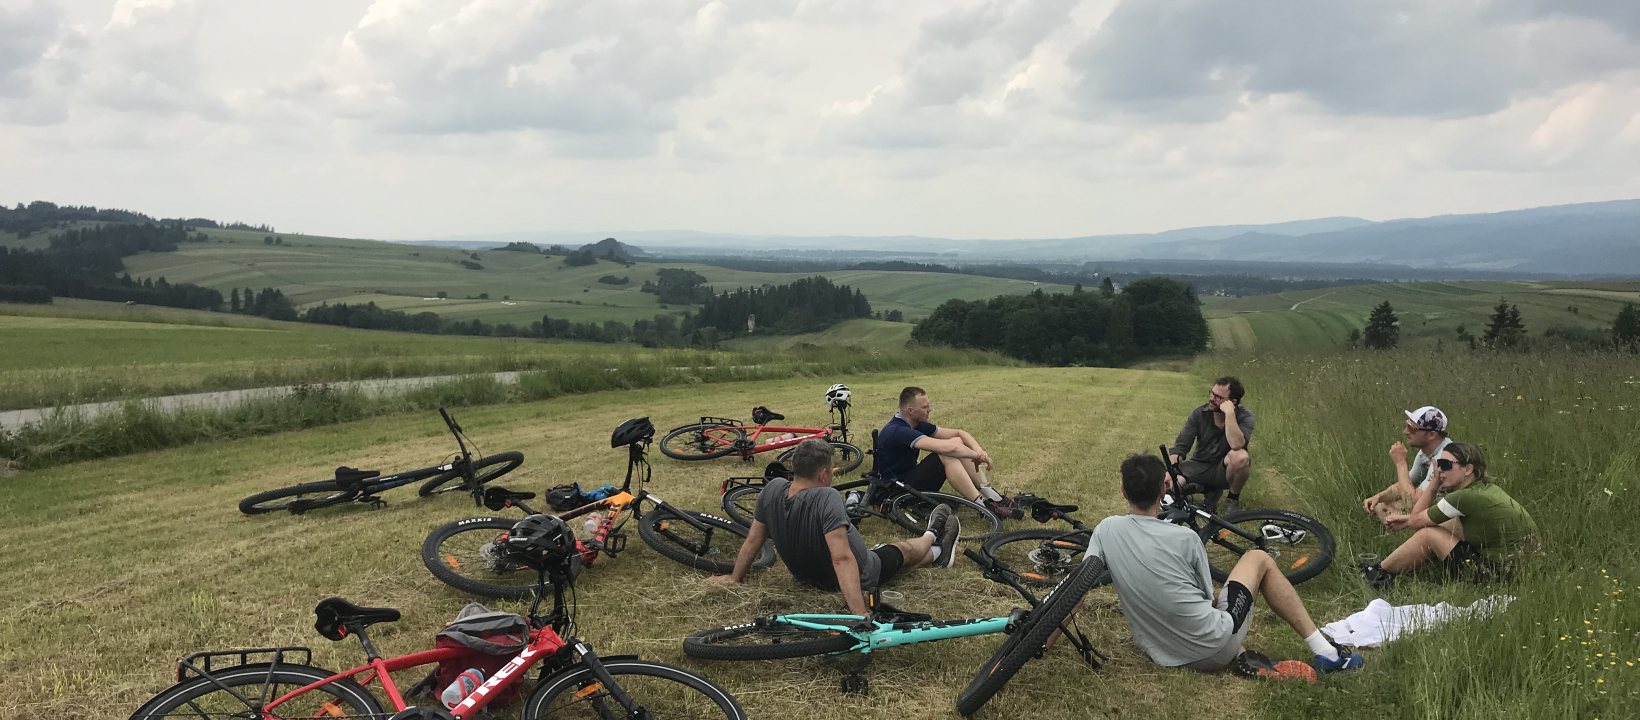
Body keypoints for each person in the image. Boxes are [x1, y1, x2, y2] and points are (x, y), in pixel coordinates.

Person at [1086, 454, 1364, 675]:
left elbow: (1077, 588)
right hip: (1212, 648)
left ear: (1123, 490)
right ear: (1163, 489)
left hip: (1160, 652)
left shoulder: (1105, 529)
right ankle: (1328, 655)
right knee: (1258, 558)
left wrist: (1044, 642)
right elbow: (1208, 599)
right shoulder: (1185, 537)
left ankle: (1243, 654)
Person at [709, 438, 960, 616]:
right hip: (861, 572)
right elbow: (841, 558)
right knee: (901, 550)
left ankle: (940, 552)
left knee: (887, 551)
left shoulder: (771, 489)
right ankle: (932, 537)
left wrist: (734, 578)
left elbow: (753, 541)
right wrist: (859, 611)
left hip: (805, 576)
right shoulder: (825, 496)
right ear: (822, 475)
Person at [1361, 442, 1540, 590]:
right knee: (1450, 523)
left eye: (1446, 466)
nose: (1440, 471)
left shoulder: (1462, 497)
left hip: (1497, 577)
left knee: (1427, 535)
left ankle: (1377, 574)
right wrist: (1408, 521)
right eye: (1438, 465)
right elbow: (1419, 519)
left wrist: (1434, 483)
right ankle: (1384, 568)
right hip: (1522, 572)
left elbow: (1417, 520)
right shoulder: (1484, 489)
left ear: (1468, 469)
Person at [876, 386, 1021, 519]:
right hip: (896, 490)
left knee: (956, 449)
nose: (929, 410)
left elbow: (959, 434)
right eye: (925, 407)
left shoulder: (915, 424)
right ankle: (983, 507)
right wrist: (977, 457)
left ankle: (994, 498)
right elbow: (949, 448)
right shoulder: (899, 431)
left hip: (908, 481)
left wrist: (980, 452)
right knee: (946, 454)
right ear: (910, 411)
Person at [1168, 376, 1255, 515]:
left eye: (1218, 397)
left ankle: (1232, 500)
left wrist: (1229, 414)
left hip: (1224, 470)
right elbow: (1181, 446)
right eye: (1212, 393)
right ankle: (1206, 489)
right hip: (1198, 465)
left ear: (1232, 402)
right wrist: (1171, 469)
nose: (1211, 398)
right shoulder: (1199, 413)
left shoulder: (1245, 417)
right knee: (1170, 486)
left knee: (1241, 456)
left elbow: (1237, 444)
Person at [1361, 406, 1454, 523]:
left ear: (1431, 435)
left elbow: (1415, 504)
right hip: (1438, 508)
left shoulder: (1443, 457)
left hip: (1451, 515)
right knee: (1380, 506)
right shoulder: (1425, 452)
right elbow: (1404, 484)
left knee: (1391, 510)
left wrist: (1400, 463)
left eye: (1412, 428)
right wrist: (1378, 497)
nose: (1405, 432)